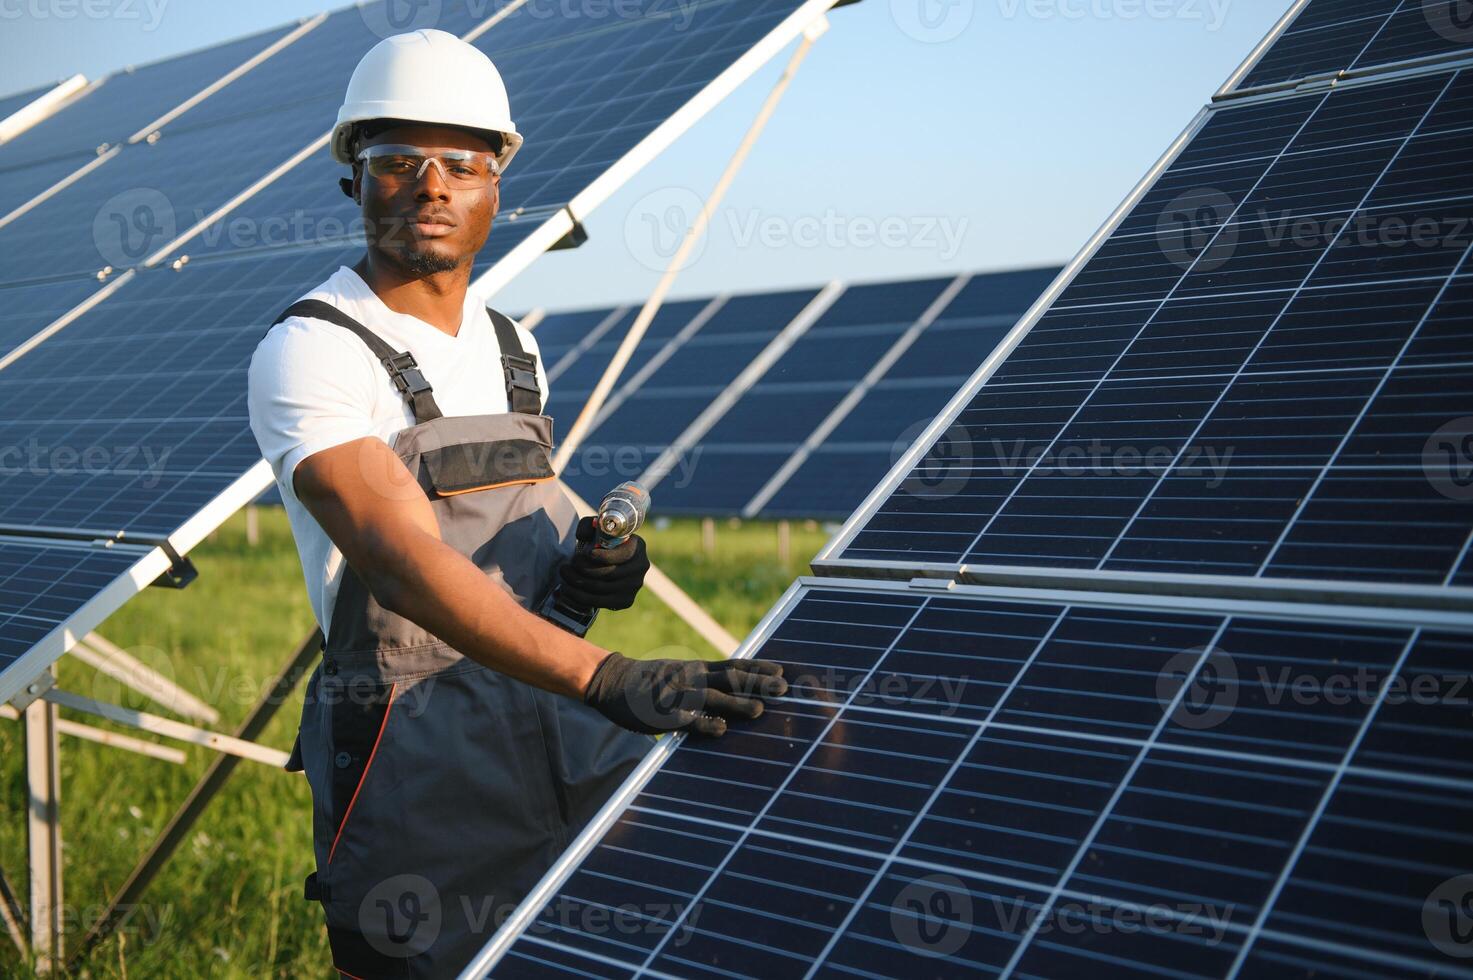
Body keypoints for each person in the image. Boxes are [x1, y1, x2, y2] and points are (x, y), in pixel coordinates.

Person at [246, 29, 788, 978]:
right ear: (354, 182)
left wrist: (591, 566)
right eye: (396, 162)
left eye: (461, 163)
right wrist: (608, 676)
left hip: (558, 720)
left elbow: (514, 520)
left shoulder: (512, 346)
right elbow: (398, 560)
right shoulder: (315, 348)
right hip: (417, 749)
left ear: (498, 185)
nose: (431, 185)